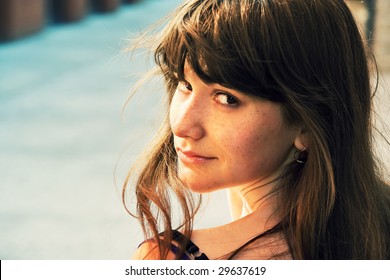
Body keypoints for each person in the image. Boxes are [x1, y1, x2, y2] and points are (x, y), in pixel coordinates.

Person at [123, 0, 390, 260]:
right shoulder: (375, 227)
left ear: (308, 125)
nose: (182, 126)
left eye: (227, 99)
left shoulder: (172, 259)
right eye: (185, 84)